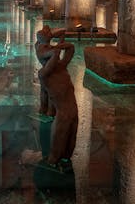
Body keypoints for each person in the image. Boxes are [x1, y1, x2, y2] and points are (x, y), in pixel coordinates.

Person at [34, 25, 78, 168]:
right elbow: (53, 54)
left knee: (72, 131)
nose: (48, 48)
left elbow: (70, 48)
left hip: (72, 106)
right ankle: (53, 159)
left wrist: (61, 43)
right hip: (63, 109)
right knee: (61, 131)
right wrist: (57, 48)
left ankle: (66, 156)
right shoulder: (44, 74)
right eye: (44, 46)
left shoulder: (61, 66)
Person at [33, 26, 67, 117]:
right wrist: (59, 46)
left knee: (44, 91)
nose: (50, 34)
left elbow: (62, 32)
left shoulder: (37, 45)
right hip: (49, 73)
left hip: (44, 72)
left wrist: (52, 35)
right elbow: (56, 53)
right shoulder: (45, 50)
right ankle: (50, 112)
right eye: (48, 34)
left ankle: (43, 109)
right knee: (51, 93)